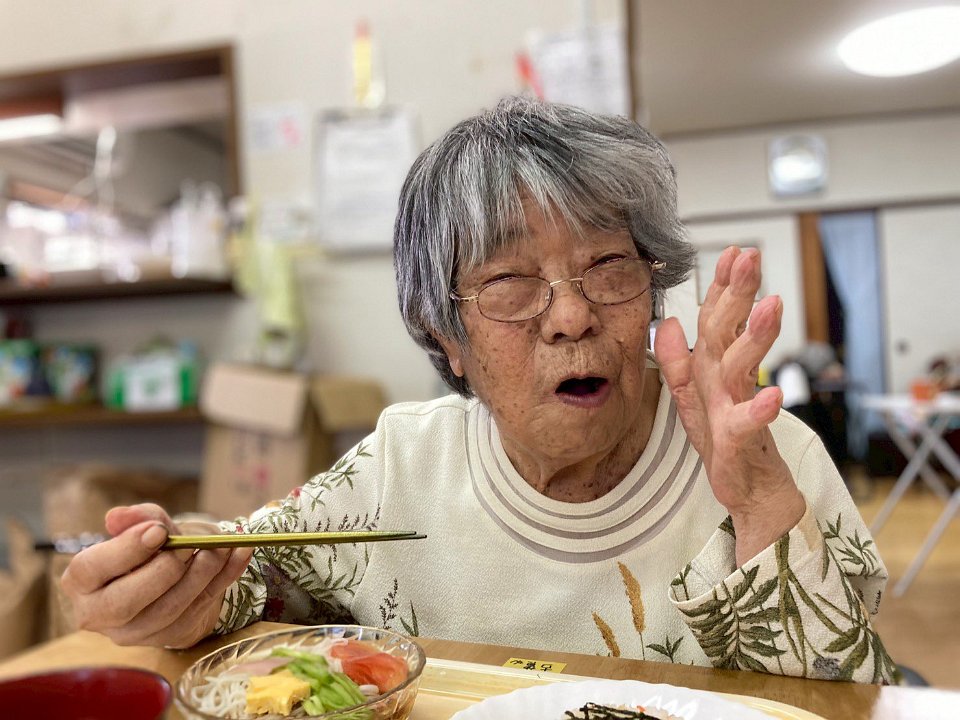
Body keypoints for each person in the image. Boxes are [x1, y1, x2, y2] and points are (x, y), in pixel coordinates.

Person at [61, 97, 897, 683]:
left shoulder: (768, 452)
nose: (571, 315)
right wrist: (174, 580)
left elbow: (850, 698)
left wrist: (760, 510)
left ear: (652, 287)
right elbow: (248, 572)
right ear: (446, 338)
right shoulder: (402, 463)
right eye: (508, 282)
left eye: (609, 265)